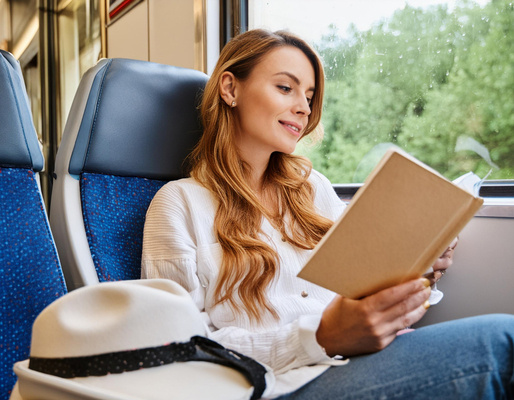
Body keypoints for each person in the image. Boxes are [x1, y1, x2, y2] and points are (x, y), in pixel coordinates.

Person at [141, 29, 514, 399]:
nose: (304, 107)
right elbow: (183, 349)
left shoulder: (311, 187)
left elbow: (360, 281)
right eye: (286, 88)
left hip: (363, 358)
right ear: (230, 89)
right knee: (502, 340)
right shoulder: (177, 204)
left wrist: (420, 267)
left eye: (309, 95)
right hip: (280, 383)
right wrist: (320, 336)